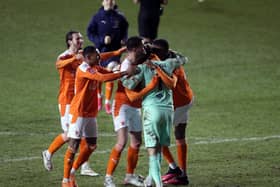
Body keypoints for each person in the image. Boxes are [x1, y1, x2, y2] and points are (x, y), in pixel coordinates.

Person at [61, 45, 131, 187]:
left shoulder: (95, 67)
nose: (99, 58)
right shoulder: (84, 69)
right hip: (78, 112)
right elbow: (102, 78)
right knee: (73, 145)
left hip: (90, 113)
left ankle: (73, 172)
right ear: (88, 58)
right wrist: (122, 73)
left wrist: (119, 70)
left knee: (92, 145)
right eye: (96, 56)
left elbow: (106, 72)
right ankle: (65, 180)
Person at [123, 44, 187, 187]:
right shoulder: (167, 64)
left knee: (152, 153)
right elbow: (183, 59)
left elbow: (127, 84)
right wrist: (168, 51)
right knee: (158, 150)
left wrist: (126, 71)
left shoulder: (142, 69)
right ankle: (152, 182)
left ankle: (158, 185)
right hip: (168, 112)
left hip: (152, 112)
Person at [41, 30, 99, 177]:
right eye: (77, 38)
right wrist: (74, 58)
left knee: (85, 135)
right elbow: (58, 64)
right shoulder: (64, 56)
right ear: (69, 41)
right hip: (67, 100)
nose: (80, 40)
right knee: (69, 135)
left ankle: (85, 165)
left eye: (81, 38)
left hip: (79, 101)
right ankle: (48, 153)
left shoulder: (84, 56)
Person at [104, 36, 150, 187]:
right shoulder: (126, 65)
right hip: (122, 106)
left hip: (135, 107)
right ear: (136, 48)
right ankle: (108, 178)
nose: (144, 49)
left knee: (136, 142)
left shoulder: (137, 61)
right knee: (122, 142)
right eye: (142, 47)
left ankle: (129, 176)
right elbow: (129, 86)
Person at [151, 39, 193, 185]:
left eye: (155, 51)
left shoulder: (168, 66)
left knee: (156, 137)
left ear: (161, 53)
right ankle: (182, 175)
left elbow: (168, 83)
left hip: (177, 104)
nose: (152, 53)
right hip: (186, 99)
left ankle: (174, 168)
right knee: (180, 136)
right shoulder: (174, 57)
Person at [87, 0, 129, 114]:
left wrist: (124, 40)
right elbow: (90, 33)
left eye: (111, 0)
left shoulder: (119, 17)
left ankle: (107, 102)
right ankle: (99, 96)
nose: (109, 1)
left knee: (111, 70)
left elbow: (125, 30)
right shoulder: (97, 17)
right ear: (102, 2)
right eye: (107, 0)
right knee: (100, 74)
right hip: (100, 51)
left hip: (114, 52)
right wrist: (101, 40)